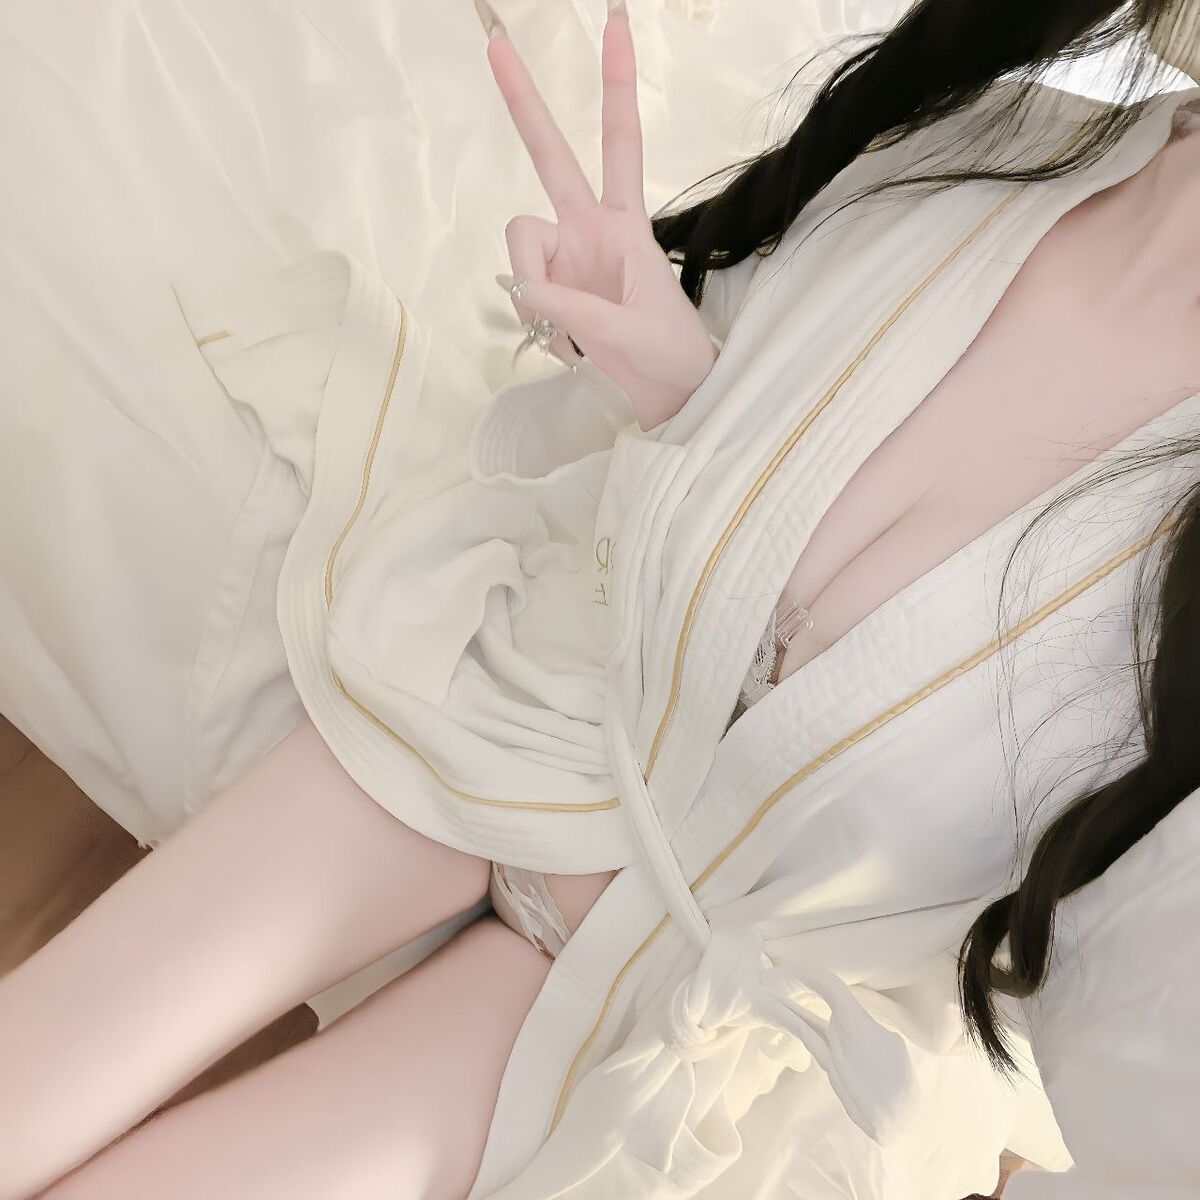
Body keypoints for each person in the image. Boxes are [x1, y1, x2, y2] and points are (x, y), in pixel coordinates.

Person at [1, 0, 1198, 1197]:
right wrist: (678, 373)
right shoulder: (1004, 133)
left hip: (668, 995)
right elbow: (760, 513)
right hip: (523, 714)